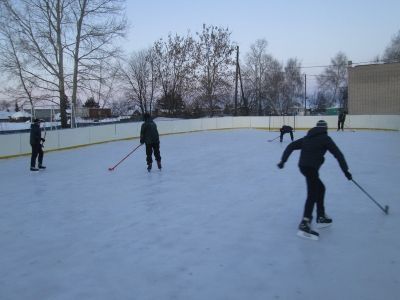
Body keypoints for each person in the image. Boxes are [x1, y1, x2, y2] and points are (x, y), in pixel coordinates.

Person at [277, 120, 352, 240]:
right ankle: (305, 223)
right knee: (313, 193)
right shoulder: (326, 138)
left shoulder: (307, 137)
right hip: (311, 168)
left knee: (320, 188)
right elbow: (338, 154)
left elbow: (291, 146)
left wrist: (283, 161)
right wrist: (345, 171)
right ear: (325, 128)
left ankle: (321, 216)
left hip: (303, 167)